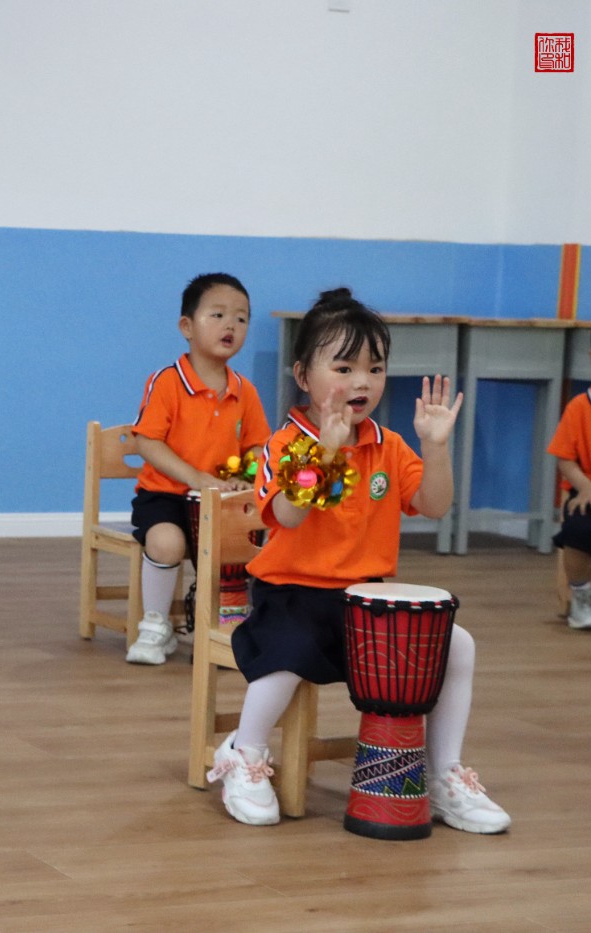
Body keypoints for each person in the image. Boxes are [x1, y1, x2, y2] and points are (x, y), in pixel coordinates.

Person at [208, 288, 510, 834]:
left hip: (363, 601)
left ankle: (443, 774)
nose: (362, 382)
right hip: (289, 595)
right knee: (287, 653)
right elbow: (288, 514)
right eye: (344, 368)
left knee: (457, 645)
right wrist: (326, 451)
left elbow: (434, 505)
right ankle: (243, 753)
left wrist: (436, 447)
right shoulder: (284, 444)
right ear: (303, 376)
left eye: (375, 368)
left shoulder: (389, 445)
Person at [127, 273, 269, 664]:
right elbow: (146, 441)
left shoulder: (245, 390)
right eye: (218, 315)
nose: (230, 325)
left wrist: (246, 475)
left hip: (222, 502)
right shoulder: (166, 382)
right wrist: (195, 478)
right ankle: (155, 625)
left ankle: (229, 627)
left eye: (241, 318)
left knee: (248, 545)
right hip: (166, 495)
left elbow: (258, 447)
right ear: (186, 327)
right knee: (166, 543)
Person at [548, 308, 591, 630]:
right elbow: (565, 458)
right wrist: (584, 487)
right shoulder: (580, 407)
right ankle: (582, 596)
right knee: (577, 531)